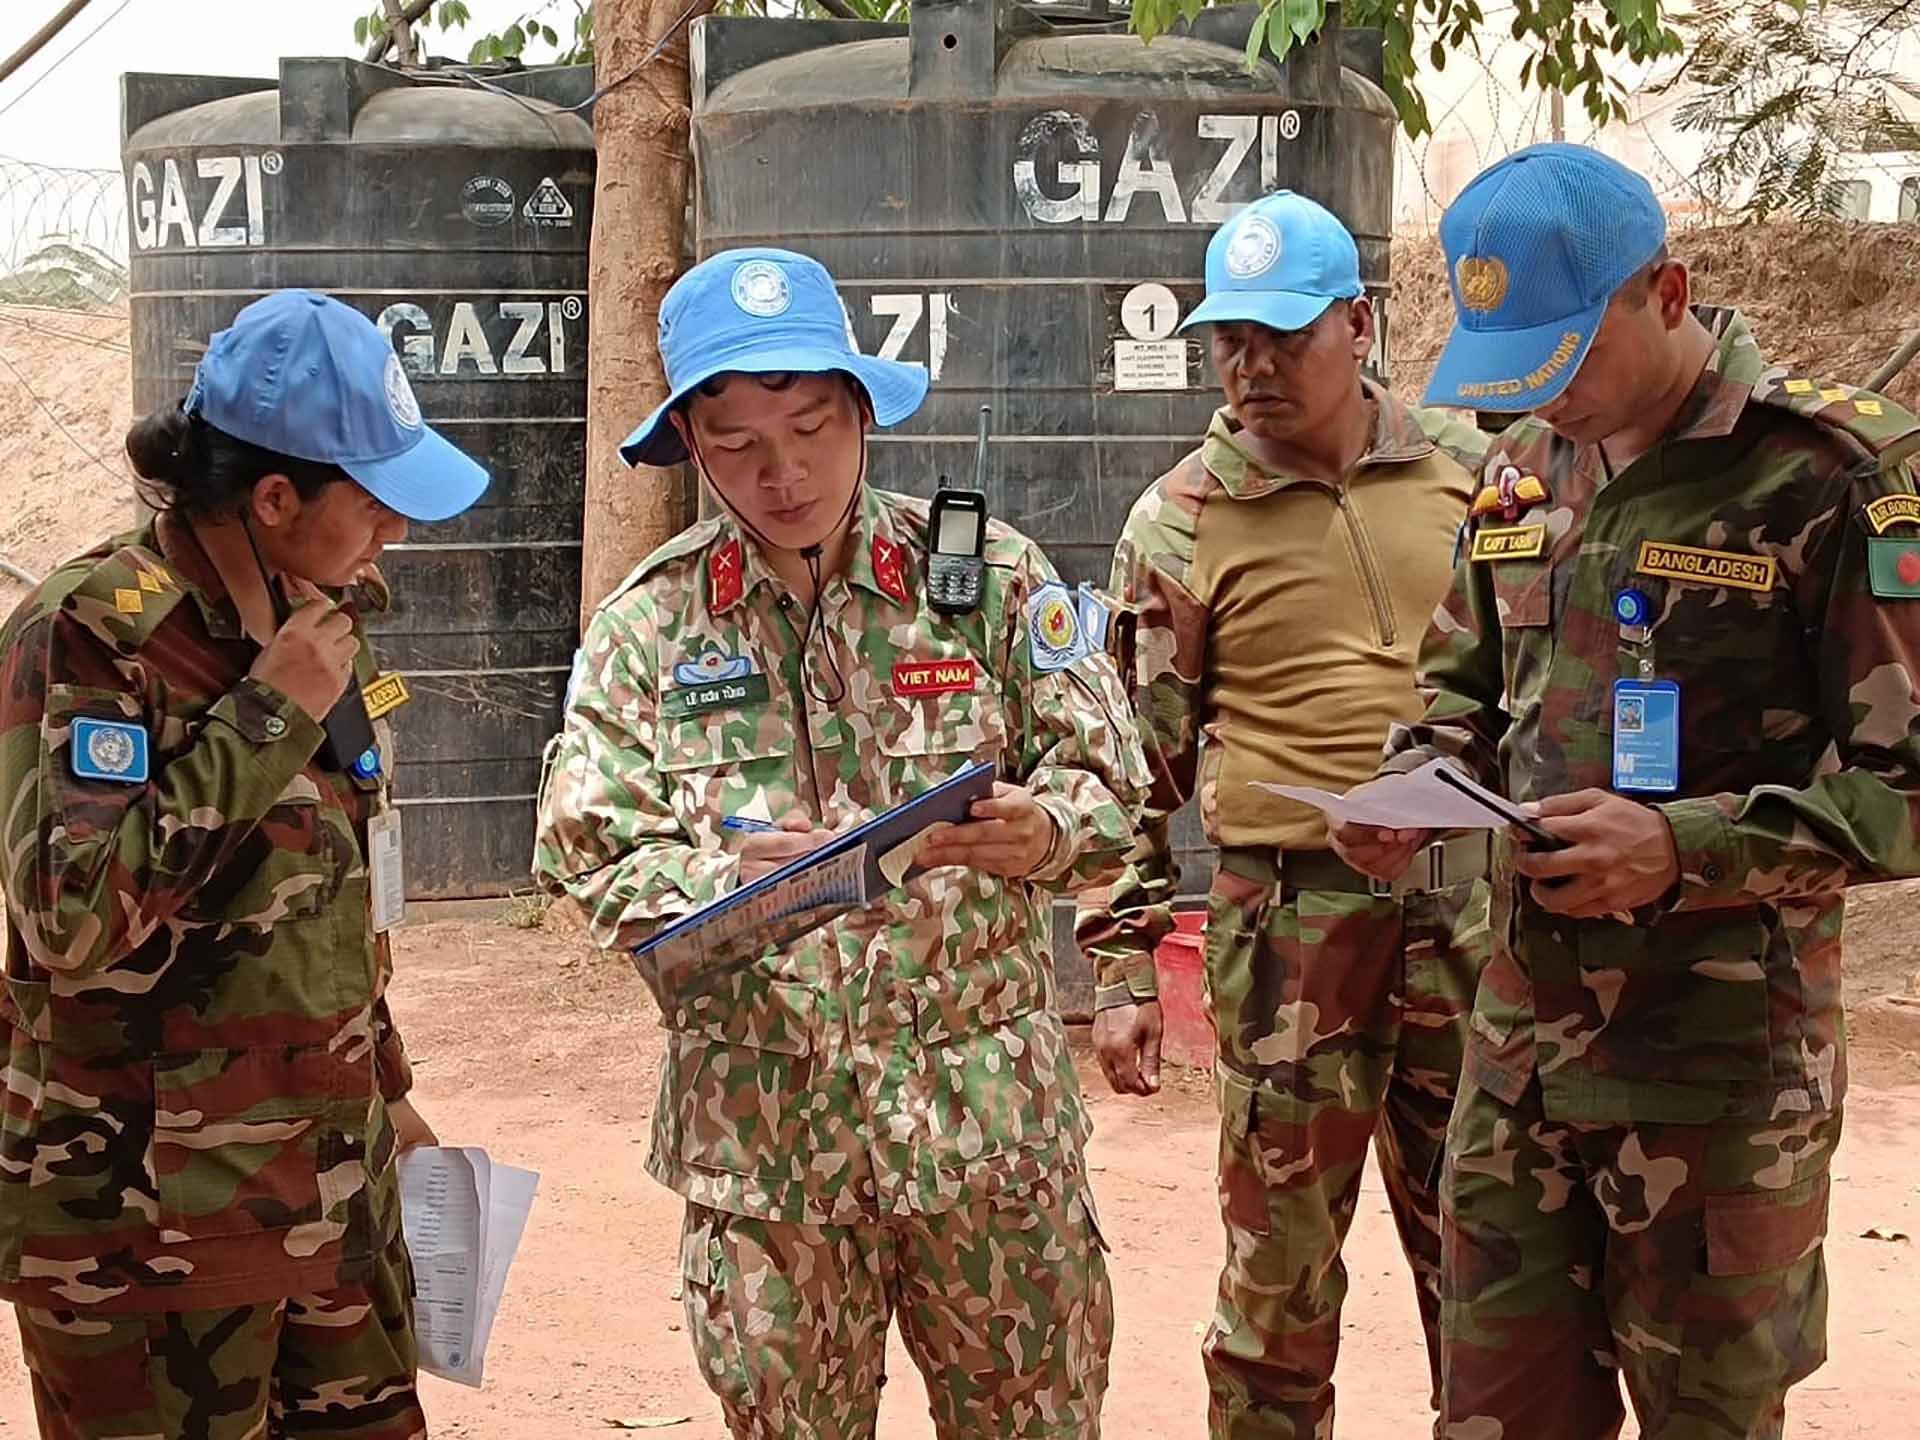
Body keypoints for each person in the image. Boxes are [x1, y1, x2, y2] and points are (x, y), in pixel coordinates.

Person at [1332, 142, 1920, 1439]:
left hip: (1715, 1082)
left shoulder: (1830, 475)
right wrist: (1408, 797)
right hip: (1520, 1051)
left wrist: (1685, 846)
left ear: (1667, 290)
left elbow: (1904, 782)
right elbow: (1461, 699)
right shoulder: (1528, 470)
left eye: (1568, 355)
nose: (1547, 400)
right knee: (1492, 1419)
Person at [531, 247, 1148, 1439]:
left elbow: (1113, 778)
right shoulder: (649, 627)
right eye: (740, 445)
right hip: (767, 1162)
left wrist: (1047, 830)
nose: (785, 472)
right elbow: (589, 853)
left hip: (988, 1140)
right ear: (692, 449)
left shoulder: (986, 579)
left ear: (864, 411)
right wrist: (720, 883)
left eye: (812, 426)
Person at [0, 290, 489, 1438]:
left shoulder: (321, 607)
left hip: (327, 1191)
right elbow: (66, 918)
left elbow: (319, 893)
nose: (398, 534)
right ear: (275, 498)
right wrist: (267, 716)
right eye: (375, 501)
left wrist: (386, 1088)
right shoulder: (94, 632)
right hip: (147, 1231)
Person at [1074, 190, 1494, 1439]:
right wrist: (1121, 963)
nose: (1251, 368)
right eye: (1229, 342)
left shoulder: (1475, 476)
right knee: (1278, 1280)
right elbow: (1136, 762)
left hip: (1475, 919)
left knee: (1489, 1263)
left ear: (1358, 325)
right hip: (1291, 927)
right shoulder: (1180, 521)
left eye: (1282, 338)